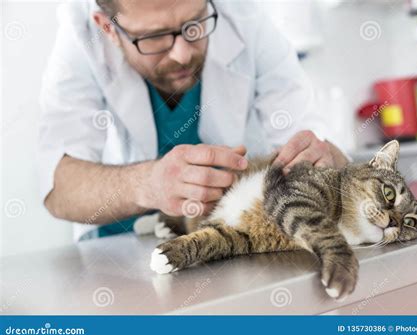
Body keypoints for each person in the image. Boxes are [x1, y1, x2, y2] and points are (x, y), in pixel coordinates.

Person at [39, 0, 348, 240]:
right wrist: (147, 184)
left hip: (232, 238)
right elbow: (58, 188)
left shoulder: (242, 16)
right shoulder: (81, 37)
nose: (183, 55)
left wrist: (324, 158)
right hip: (119, 250)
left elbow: (315, 140)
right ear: (107, 28)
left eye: (194, 25)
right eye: (155, 37)